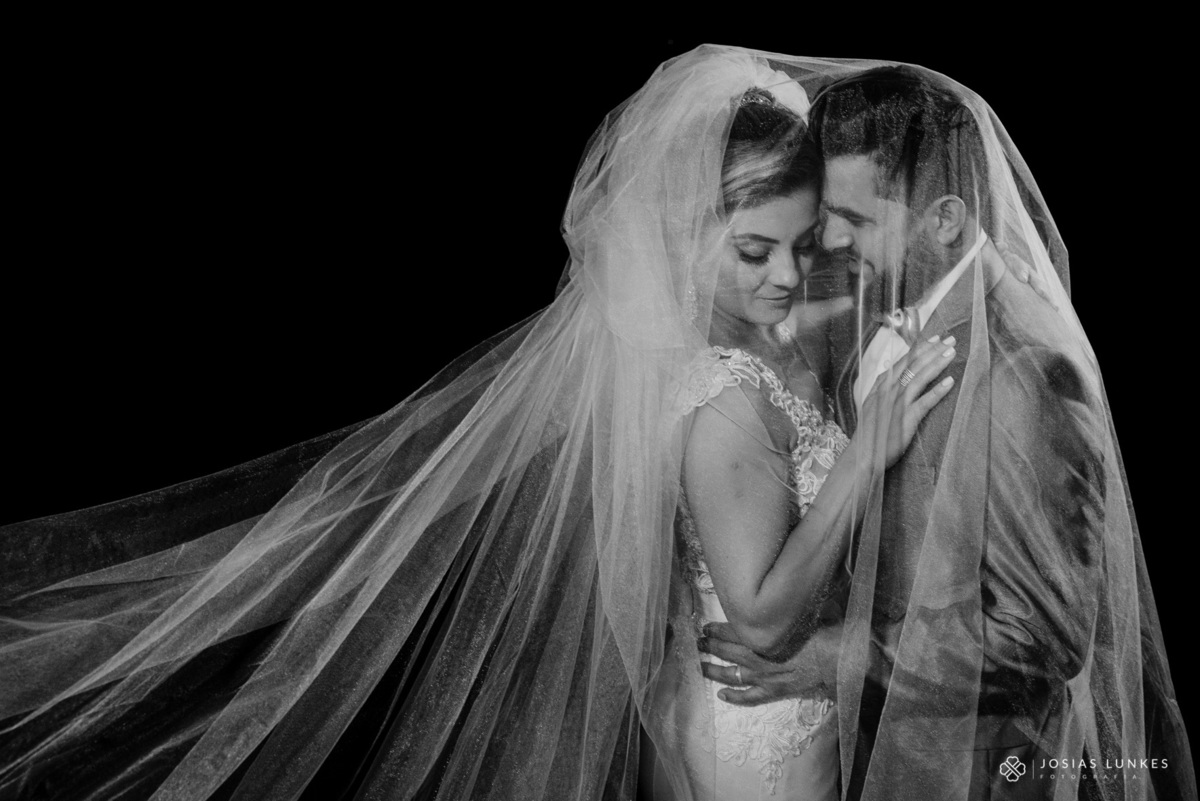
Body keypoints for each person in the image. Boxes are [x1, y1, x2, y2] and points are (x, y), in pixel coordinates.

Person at [0, 46, 1190, 801]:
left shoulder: (881, 345)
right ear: (693, 247)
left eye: (824, 239)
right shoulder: (721, 402)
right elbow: (769, 620)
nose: (810, 271)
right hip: (768, 729)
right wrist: (870, 452)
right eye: (763, 251)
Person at [699, 63, 1196, 801]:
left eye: (858, 220)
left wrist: (838, 656)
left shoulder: (1030, 367)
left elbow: (1041, 637)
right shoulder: (884, 294)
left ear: (946, 219)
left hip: (981, 769)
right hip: (865, 752)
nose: (828, 240)